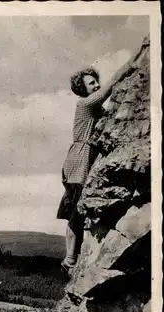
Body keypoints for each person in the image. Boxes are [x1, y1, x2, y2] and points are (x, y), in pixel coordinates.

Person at [57, 41, 148, 277]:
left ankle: (72, 259)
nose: (96, 84)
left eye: (95, 81)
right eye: (91, 83)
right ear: (83, 89)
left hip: (83, 159)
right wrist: (134, 61)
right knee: (75, 213)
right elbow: (110, 86)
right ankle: (69, 260)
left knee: (79, 211)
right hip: (79, 161)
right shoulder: (85, 104)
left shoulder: (97, 110)